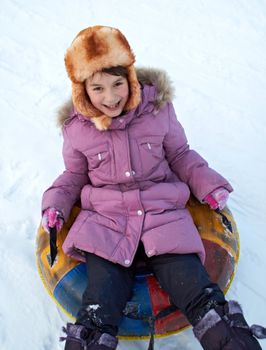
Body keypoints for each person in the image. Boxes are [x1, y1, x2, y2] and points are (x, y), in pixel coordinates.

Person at [41, 25, 265, 350]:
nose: (111, 97)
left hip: (164, 219)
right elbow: (73, 176)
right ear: (81, 90)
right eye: (98, 88)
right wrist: (55, 205)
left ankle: (230, 340)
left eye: (118, 84)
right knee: (100, 302)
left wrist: (209, 184)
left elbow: (180, 155)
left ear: (130, 79)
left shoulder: (157, 110)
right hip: (107, 226)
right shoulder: (78, 130)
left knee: (196, 289)